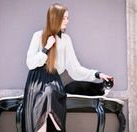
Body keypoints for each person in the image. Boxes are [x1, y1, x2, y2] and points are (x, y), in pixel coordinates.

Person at [23, 3, 113, 132]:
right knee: (44, 95)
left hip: (53, 80)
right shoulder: (38, 36)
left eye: (67, 18)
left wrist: (98, 74)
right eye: (64, 18)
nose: (67, 21)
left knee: (50, 92)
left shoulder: (66, 40)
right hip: (36, 81)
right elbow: (30, 63)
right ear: (55, 18)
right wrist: (46, 48)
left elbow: (75, 69)